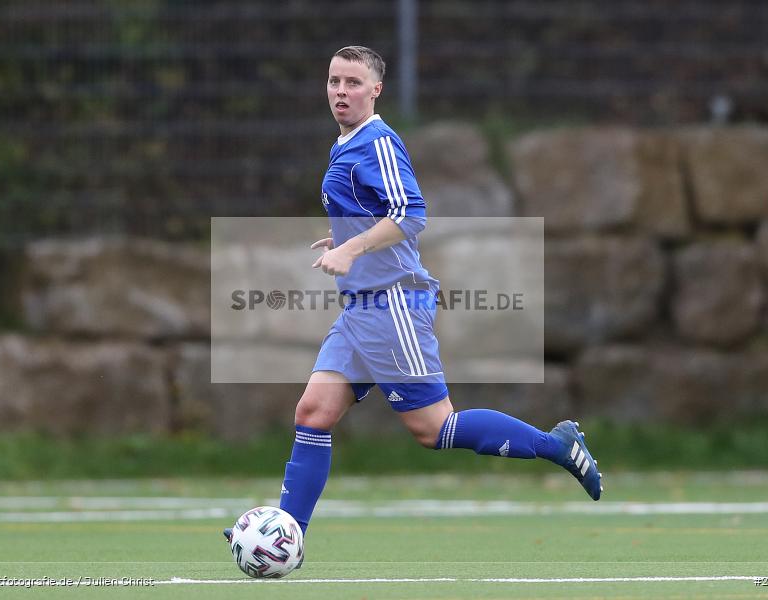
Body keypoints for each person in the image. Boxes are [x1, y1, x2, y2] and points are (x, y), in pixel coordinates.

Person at [226, 45, 601, 551]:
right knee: (312, 412)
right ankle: (282, 537)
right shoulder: (347, 143)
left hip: (391, 305)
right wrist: (346, 238)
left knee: (434, 428)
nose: (341, 91)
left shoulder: (377, 141)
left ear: (375, 90)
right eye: (335, 81)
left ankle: (556, 446)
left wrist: (354, 247)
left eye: (353, 83)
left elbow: (411, 213)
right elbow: (378, 210)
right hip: (361, 308)